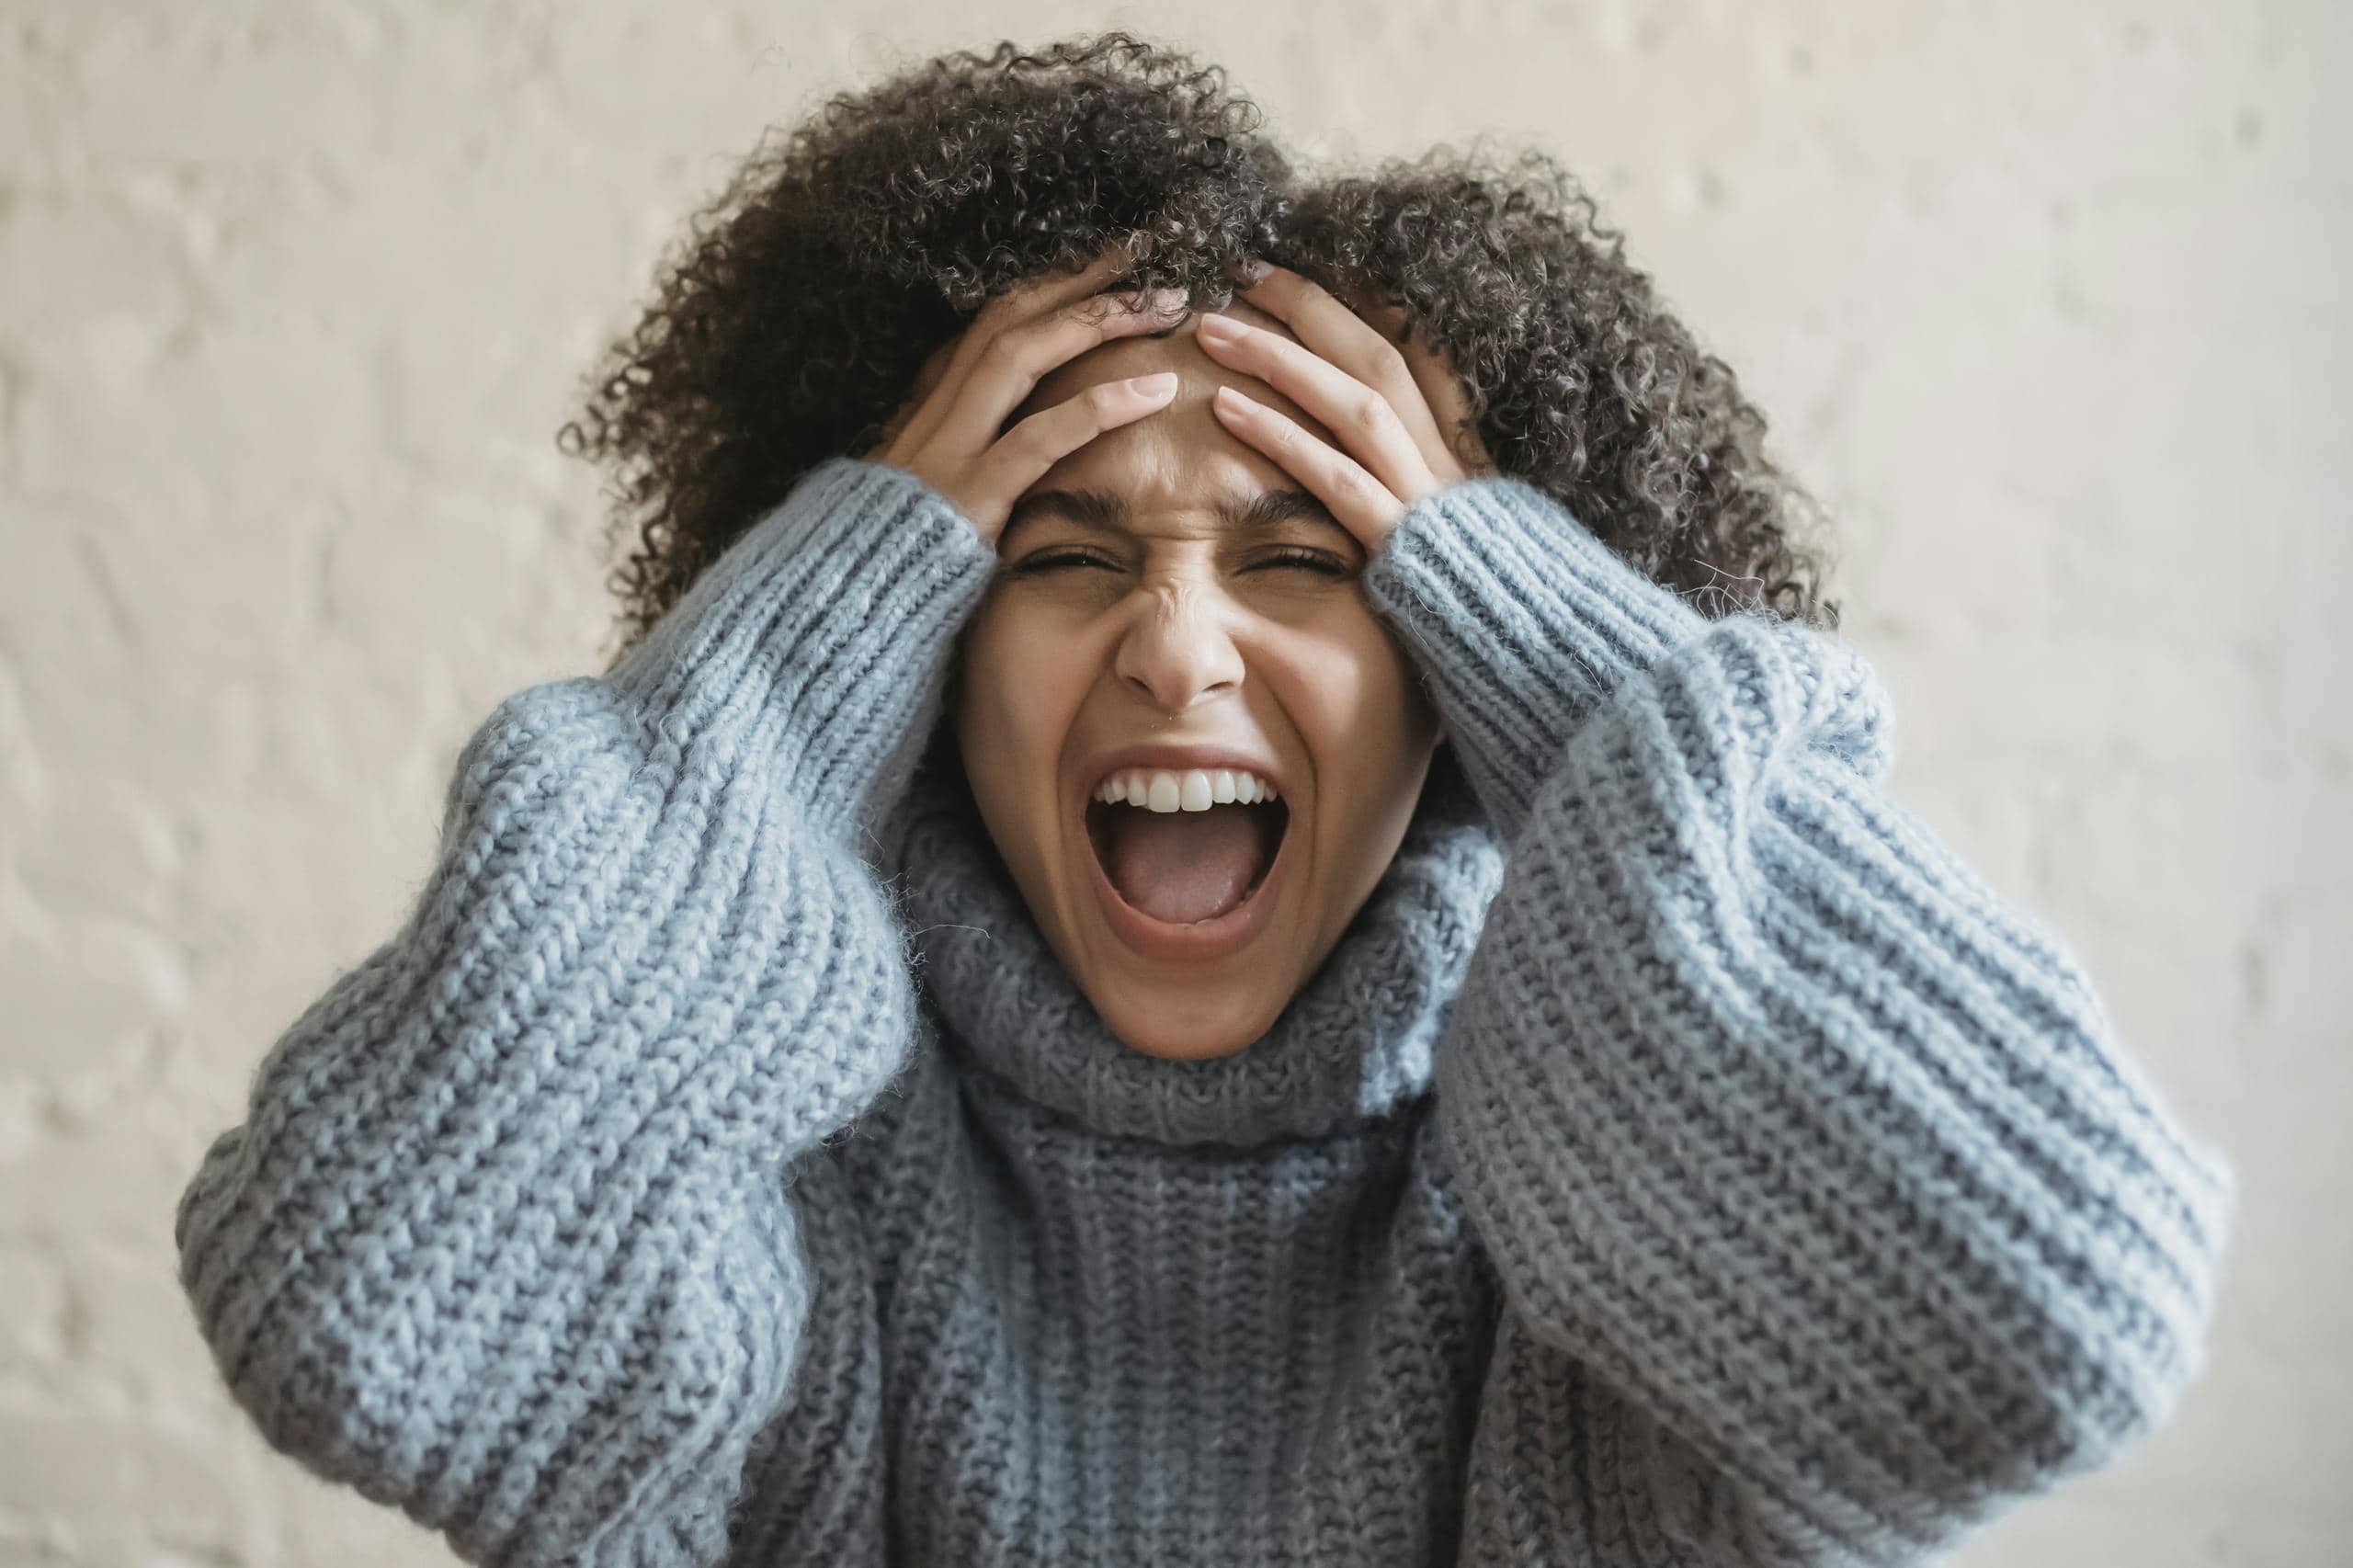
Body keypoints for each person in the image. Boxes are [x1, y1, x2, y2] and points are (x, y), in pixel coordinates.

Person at [173, 31, 2237, 1567]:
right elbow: (360, 1304)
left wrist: (1555, 643)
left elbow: (2052, 1311)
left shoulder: (1622, 1205)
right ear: (922, 654)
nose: (1175, 648)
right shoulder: (773, 1176)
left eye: (1307, 560)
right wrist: (807, 646)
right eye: (1055, 558)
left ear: (1458, 656)